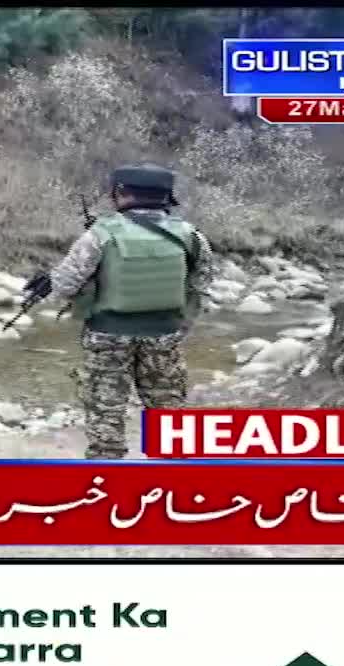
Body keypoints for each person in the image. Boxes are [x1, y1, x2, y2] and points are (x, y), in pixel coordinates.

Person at [25, 163, 215, 459]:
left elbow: (64, 286)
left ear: (121, 193)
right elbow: (200, 287)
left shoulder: (101, 233)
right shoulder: (192, 236)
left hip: (107, 335)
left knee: (105, 414)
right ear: (167, 196)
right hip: (165, 334)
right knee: (169, 414)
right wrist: (181, 328)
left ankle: (107, 475)